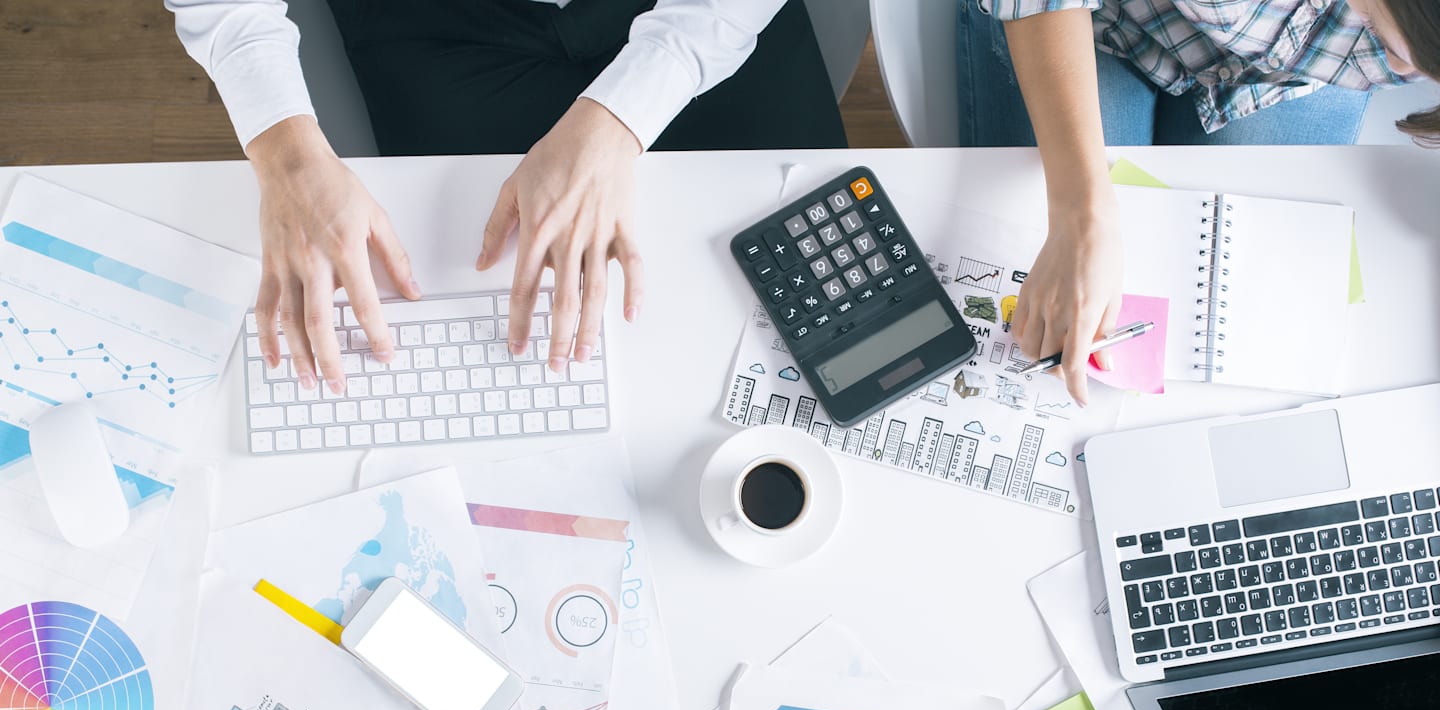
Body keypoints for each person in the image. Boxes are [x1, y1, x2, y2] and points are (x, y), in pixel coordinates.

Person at [167, 0, 845, 395]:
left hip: (699, 10)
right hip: (433, 22)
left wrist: (621, 117)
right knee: (473, 354)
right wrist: (285, 157)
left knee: (833, 308)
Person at [956, 0, 1437, 404]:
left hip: (1292, 70)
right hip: (1103, 19)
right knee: (1038, 258)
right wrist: (1079, 213)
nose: (1399, 70)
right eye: (1379, 33)